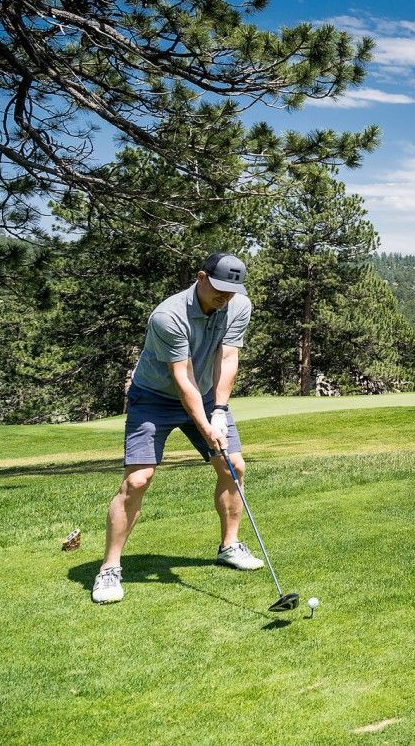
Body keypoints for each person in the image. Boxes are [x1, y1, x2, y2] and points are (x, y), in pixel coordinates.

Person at [92, 252, 262, 604]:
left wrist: (220, 411)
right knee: (138, 480)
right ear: (200, 277)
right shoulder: (168, 316)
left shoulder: (238, 305)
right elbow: (181, 377)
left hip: (206, 394)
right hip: (155, 396)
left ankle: (229, 546)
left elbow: (228, 358)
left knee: (233, 466)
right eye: (218, 290)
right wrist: (205, 425)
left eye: (231, 291)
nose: (224, 298)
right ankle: (109, 569)